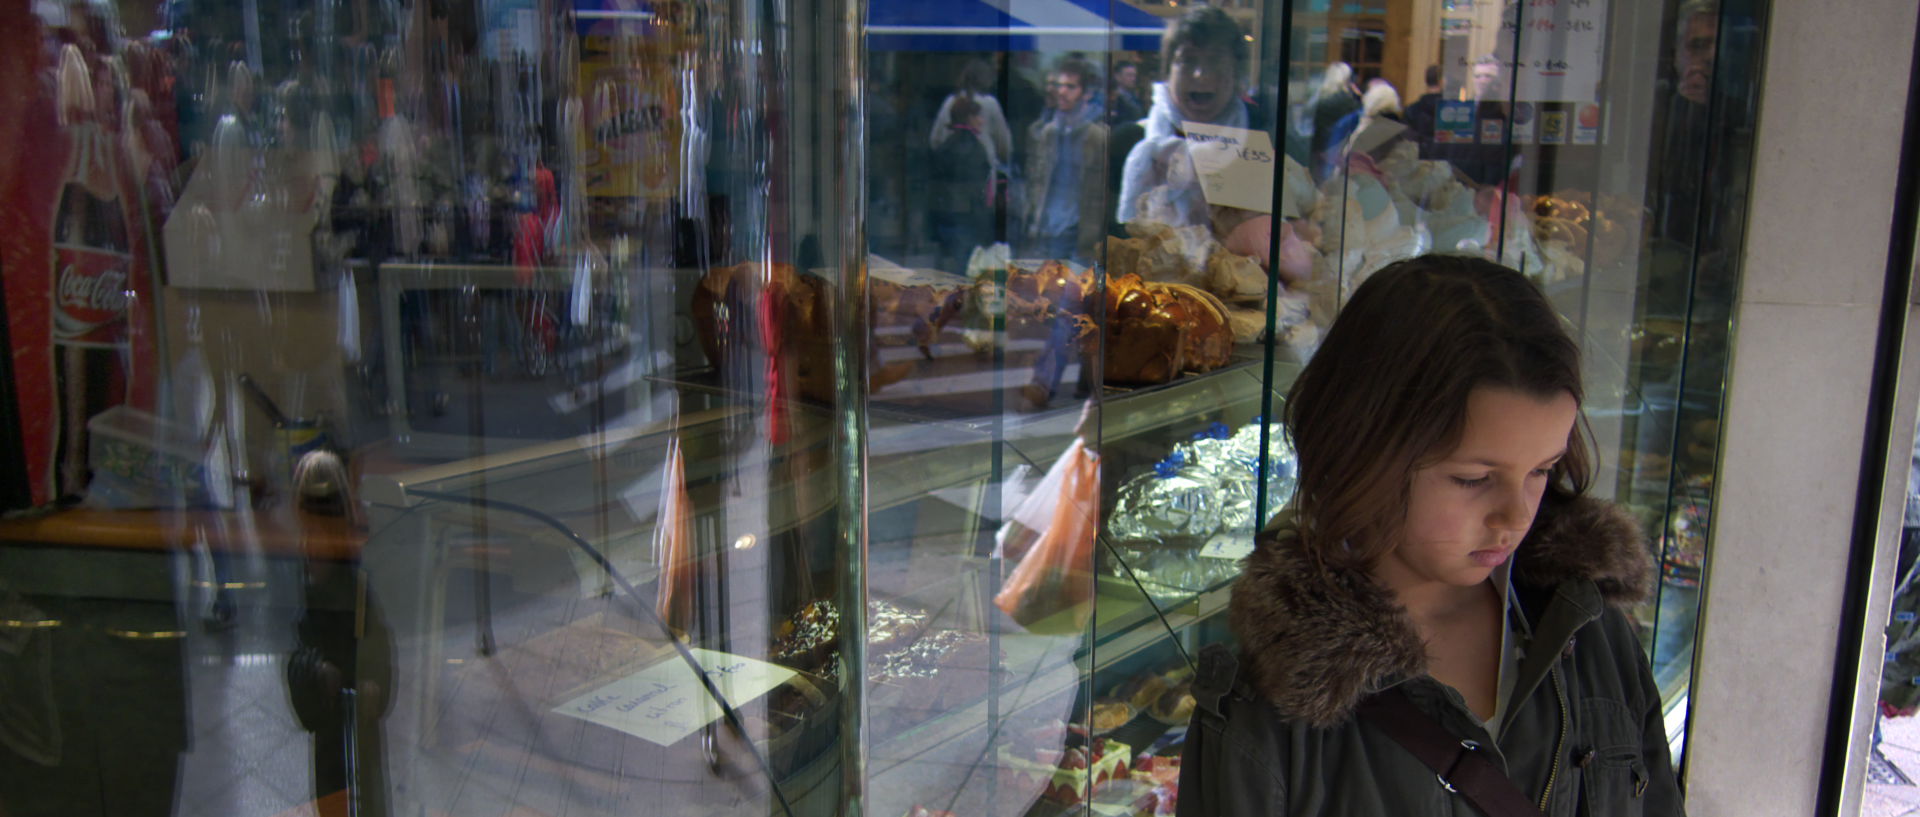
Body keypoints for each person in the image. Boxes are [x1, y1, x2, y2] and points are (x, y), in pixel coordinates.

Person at [1179, 255, 1686, 816]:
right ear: (1363, 452)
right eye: (1473, 479)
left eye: (1542, 469)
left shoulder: (1590, 627)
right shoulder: (1270, 701)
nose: (1514, 516)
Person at [1020, 56, 1107, 264]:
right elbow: (1036, 179)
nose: (1062, 92)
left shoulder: (1097, 136)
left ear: (1086, 93)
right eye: (1060, 86)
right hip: (1046, 227)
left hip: (1079, 232)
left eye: (1070, 87)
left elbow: (1101, 193)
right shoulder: (1048, 132)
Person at [928, 94, 998, 273]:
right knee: (964, 271)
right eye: (978, 116)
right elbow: (976, 191)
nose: (982, 121)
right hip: (966, 219)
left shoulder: (946, 145)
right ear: (969, 118)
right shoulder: (973, 149)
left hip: (945, 217)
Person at [930, 60, 1014, 175]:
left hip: (950, 174)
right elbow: (1005, 146)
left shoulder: (949, 102)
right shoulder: (990, 104)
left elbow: (935, 140)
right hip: (981, 174)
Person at [1404, 64, 1444, 155]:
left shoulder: (1411, 109)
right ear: (1442, 81)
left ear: (1426, 81)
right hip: (1443, 162)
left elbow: (1407, 139)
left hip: (1418, 159)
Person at [1108, 59, 1146, 126]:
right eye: (1129, 75)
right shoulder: (1112, 99)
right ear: (1117, 77)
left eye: (1134, 75)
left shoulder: (1134, 98)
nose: (1133, 79)